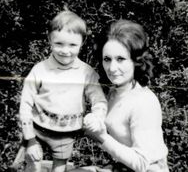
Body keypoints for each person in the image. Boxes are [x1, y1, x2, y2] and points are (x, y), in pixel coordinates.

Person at [19, 10, 107, 172]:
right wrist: (29, 138)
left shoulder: (86, 72)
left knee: (59, 168)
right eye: (59, 44)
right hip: (36, 129)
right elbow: (25, 103)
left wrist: (97, 116)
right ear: (49, 40)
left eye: (72, 45)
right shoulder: (40, 69)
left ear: (82, 42)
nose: (65, 51)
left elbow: (99, 100)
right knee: (32, 165)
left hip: (66, 134)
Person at [84, 19, 169, 172]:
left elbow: (142, 163)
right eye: (107, 59)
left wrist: (101, 137)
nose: (112, 68)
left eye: (121, 59)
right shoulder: (114, 92)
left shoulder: (144, 102)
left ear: (136, 61)